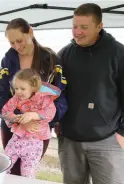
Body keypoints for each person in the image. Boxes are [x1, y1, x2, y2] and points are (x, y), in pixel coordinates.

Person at [57, 3, 124, 184]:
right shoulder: (64, 54)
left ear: (99, 26)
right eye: (75, 26)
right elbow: (54, 93)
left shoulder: (118, 53)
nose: (77, 32)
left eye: (84, 27)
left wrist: (123, 132)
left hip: (107, 140)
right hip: (70, 141)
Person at [0, 18, 67, 175]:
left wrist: (39, 119)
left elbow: (61, 96)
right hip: (12, 127)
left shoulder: (52, 59)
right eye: (12, 43)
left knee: (27, 170)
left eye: (20, 40)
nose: (17, 47)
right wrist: (19, 120)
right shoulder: (8, 60)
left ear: (30, 32)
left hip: (39, 129)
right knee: (9, 170)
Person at [2, 68, 60, 178]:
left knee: (28, 172)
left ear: (33, 87)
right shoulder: (16, 98)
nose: (18, 92)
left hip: (35, 142)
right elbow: (5, 111)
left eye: (22, 88)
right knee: (4, 165)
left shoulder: (44, 98)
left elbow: (51, 112)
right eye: (16, 88)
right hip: (17, 138)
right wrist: (16, 118)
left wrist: (34, 115)